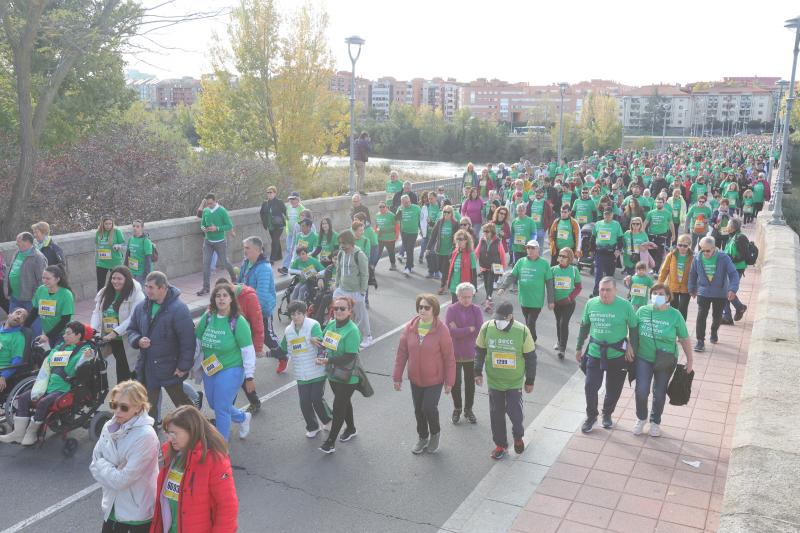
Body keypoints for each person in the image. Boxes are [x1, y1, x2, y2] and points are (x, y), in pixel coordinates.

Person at [1, 321, 94, 446]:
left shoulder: (84, 349)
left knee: (44, 402)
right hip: (47, 384)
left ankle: (31, 433)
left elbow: (83, 362)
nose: (64, 336)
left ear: (78, 335)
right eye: (64, 333)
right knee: (23, 398)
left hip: (64, 388)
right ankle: (18, 433)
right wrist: (46, 347)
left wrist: (87, 356)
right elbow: (48, 360)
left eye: (68, 333)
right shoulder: (60, 346)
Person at [150, 405, 238, 533]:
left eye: (175, 433)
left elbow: (227, 507)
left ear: (191, 431)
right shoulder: (172, 454)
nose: (170, 438)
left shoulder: (214, 460)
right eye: (169, 433)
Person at [90, 380, 159, 533]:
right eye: (114, 405)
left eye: (124, 407)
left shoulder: (146, 437)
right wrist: (112, 468)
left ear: (139, 407)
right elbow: (93, 465)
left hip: (136, 515)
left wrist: (103, 464)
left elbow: (122, 481)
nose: (117, 411)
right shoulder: (108, 426)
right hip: (111, 508)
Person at [393, 294, 456, 454]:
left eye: (426, 307)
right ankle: (422, 437)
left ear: (434, 310)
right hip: (415, 378)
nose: (422, 310)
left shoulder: (442, 330)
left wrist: (450, 381)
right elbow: (402, 353)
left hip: (434, 378)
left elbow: (449, 357)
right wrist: (397, 376)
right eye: (420, 307)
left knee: (428, 407)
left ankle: (435, 434)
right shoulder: (410, 328)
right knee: (418, 410)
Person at [474, 301, 537, 459]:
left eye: (502, 319)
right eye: (497, 319)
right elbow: (480, 351)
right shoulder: (487, 327)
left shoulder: (522, 331)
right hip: (494, 381)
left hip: (514, 382)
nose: (498, 322)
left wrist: (530, 380)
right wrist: (477, 372)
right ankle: (500, 445)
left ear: (510, 317)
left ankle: (518, 436)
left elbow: (530, 358)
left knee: (515, 414)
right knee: (496, 415)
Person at [127, 271, 195, 419]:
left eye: (151, 287)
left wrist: (183, 367)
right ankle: (151, 435)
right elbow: (131, 329)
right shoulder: (141, 307)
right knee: (147, 408)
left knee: (183, 407)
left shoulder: (179, 309)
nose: (147, 291)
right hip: (148, 368)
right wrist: (138, 340)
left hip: (170, 367)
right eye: (146, 286)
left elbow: (188, 341)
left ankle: (197, 429)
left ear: (163, 288)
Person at [575, 277, 638, 433]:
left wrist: (632, 346)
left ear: (615, 290)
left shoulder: (625, 306)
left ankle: (607, 414)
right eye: (602, 289)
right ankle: (591, 417)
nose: (604, 293)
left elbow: (634, 328)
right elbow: (584, 326)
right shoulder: (591, 304)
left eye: (608, 290)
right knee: (590, 386)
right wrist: (578, 347)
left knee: (613, 389)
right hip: (595, 352)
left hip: (617, 355)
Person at [632, 283, 694, 438]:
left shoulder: (675, 315)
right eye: (654, 293)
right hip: (644, 357)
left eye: (661, 294)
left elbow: (684, 338)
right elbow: (633, 332)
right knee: (641, 390)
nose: (657, 297)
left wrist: (690, 360)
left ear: (668, 297)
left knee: (659, 393)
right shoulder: (642, 311)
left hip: (665, 359)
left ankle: (655, 422)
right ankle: (641, 418)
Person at [194, 282, 254, 440]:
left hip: (231, 368)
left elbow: (248, 351)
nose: (221, 299)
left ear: (231, 299)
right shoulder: (207, 317)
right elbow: (197, 340)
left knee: (221, 408)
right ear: (213, 299)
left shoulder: (238, 322)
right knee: (215, 404)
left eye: (225, 295)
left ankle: (220, 450)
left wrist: (249, 377)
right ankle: (242, 417)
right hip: (211, 368)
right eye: (217, 296)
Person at [276, 301, 331, 437]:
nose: (296, 317)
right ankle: (313, 427)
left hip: (316, 370)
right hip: (301, 373)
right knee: (304, 402)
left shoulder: (313, 325)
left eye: (299, 313)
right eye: (293, 314)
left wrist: (315, 340)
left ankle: (328, 420)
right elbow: (282, 349)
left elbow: (322, 343)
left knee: (316, 398)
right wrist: (264, 353)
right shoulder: (288, 331)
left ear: (304, 313)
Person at [317, 296, 362, 454]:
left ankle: (330, 442)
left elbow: (350, 356)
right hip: (333, 373)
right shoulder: (330, 324)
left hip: (348, 376)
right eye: (336, 308)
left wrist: (328, 360)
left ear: (350, 311)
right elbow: (324, 341)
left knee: (338, 406)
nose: (338, 311)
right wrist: (316, 341)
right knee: (344, 402)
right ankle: (351, 428)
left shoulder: (352, 331)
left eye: (343, 308)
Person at [90, 266, 145, 384]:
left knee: (123, 371)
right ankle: (134, 391)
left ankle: (124, 396)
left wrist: (115, 332)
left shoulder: (136, 294)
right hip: (111, 339)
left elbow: (133, 318)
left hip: (128, 338)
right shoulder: (105, 292)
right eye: (113, 278)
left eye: (119, 279)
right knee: (128, 370)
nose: (115, 281)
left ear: (127, 279)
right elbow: (96, 312)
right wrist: (93, 330)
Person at [238, 236, 283, 373]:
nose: (244, 251)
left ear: (257, 250)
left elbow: (261, 294)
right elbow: (240, 284)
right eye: (244, 248)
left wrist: (251, 311)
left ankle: (283, 355)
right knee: (243, 338)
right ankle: (243, 370)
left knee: (267, 337)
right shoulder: (246, 263)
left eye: (247, 248)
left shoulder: (264, 268)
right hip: (246, 309)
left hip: (261, 309)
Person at [688, 236, 740, 352]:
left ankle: (714, 331)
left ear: (714, 248)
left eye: (708, 250)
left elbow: (733, 274)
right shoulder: (697, 258)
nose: (705, 253)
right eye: (702, 250)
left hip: (720, 293)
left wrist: (732, 289)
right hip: (703, 292)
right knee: (701, 316)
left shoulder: (723, 258)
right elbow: (692, 274)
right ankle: (700, 341)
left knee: (717, 316)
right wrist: (692, 288)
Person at [496, 240, 554, 343]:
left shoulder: (544, 263)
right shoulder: (521, 261)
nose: (530, 250)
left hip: (536, 301)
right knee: (528, 321)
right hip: (524, 299)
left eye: (533, 248)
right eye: (528, 248)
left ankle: (529, 341)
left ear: (538, 249)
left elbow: (549, 283)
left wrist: (551, 301)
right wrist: (503, 287)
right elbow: (512, 276)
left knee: (530, 322)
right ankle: (533, 337)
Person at [445, 283, 483, 424]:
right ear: (458, 296)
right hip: (454, 353)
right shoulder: (451, 309)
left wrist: (460, 330)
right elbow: (450, 332)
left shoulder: (476, 310)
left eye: (469, 297)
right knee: (455, 383)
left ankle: (468, 409)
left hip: (471, 354)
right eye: (463, 297)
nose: (466, 300)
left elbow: (479, 330)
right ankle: (457, 408)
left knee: (470, 384)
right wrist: (469, 329)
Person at [333, 230, 372, 348]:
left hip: (356, 291)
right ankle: (343, 333)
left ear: (351, 242)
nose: (342, 246)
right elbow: (339, 270)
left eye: (344, 243)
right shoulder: (341, 253)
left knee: (361, 315)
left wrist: (362, 292)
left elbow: (365, 274)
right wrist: (337, 285)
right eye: (340, 243)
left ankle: (367, 336)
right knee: (339, 311)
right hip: (342, 289)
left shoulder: (359, 255)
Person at [24, 265, 74, 346]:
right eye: (43, 278)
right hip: (49, 332)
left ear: (57, 279)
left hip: (63, 333)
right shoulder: (41, 289)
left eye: (48, 278)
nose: (44, 281)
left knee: (58, 356)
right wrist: (24, 326)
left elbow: (65, 320)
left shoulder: (66, 294)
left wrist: (48, 336)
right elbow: (35, 311)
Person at [551, 248, 582, 360]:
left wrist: (570, 298)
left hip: (569, 303)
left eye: (564, 256)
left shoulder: (574, 270)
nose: (561, 258)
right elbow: (549, 287)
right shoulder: (553, 270)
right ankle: (559, 341)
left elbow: (578, 287)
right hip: (557, 303)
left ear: (570, 259)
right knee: (558, 322)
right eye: (560, 255)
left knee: (564, 323)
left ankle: (562, 349)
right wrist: (551, 301)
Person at [6, 232, 47, 312]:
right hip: (14, 297)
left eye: (18, 241)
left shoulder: (38, 257)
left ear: (27, 242)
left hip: (30, 300)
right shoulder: (17, 252)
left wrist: (35, 297)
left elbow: (42, 280)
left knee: (34, 323)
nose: (16, 244)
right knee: (13, 323)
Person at [720, 218, 749, 325]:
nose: (727, 227)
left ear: (732, 227)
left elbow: (743, 256)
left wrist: (729, 258)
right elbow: (718, 234)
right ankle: (729, 315)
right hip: (731, 267)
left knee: (727, 291)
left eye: (728, 225)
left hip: (736, 269)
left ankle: (737, 309)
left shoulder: (740, 238)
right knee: (725, 291)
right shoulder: (732, 236)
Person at [658, 233, 694, 319]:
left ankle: (681, 327)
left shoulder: (692, 257)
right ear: (677, 244)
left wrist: (695, 287)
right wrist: (660, 283)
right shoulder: (671, 255)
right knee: (673, 308)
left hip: (686, 288)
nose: (682, 248)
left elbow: (696, 273)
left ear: (689, 246)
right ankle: (672, 326)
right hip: (673, 286)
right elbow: (664, 270)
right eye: (680, 245)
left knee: (683, 308)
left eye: (685, 246)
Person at [590, 207, 624, 296]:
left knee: (609, 276)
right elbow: (593, 238)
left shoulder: (616, 225)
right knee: (598, 275)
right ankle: (596, 294)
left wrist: (618, 250)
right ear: (603, 214)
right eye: (605, 214)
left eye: (609, 214)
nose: (607, 216)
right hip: (599, 252)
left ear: (612, 215)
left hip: (611, 253)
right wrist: (591, 250)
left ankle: (610, 293)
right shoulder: (598, 224)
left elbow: (620, 239)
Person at [474, 223, 507, 312]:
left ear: (492, 232)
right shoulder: (482, 240)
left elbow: (502, 255)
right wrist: (473, 262)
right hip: (484, 265)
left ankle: (488, 300)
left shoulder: (498, 241)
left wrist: (503, 268)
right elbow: (477, 252)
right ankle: (487, 297)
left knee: (490, 283)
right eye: (484, 231)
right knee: (485, 283)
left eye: (487, 231)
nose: (485, 233)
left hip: (494, 267)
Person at [426, 205, 459, 285]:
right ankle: (446, 280)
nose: (446, 214)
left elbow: (457, 237)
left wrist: (455, 249)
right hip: (440, 249)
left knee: (445, 269)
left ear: (451, 213)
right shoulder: (439, 222)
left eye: (448, 212)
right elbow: (433, 235)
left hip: (449, 250)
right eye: (445, 212)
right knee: (440, 268)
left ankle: (443, 285)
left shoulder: (455, 224)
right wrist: (428, 248)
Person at [0, 308, 28, 396]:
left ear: (22, 323)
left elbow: (16, 361)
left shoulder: (18, 338)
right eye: (18, 313)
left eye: (22, 317)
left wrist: (3, 376)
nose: (19, 316)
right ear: (9, 315)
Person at [642, 197, 675, 272]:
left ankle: (656, 270)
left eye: (660, 202)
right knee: (651, 253)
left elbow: (671, 224)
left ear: (663, 203)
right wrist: (643, 233)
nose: (659, 204)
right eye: (657, 202)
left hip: (662, 236)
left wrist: (673, 235)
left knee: (659, 254)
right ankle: (653, 268)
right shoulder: (651, 213)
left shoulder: (667, 213)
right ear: (655, 203)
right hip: (651, 235)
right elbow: (645, 223)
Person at [95, 216, 126, 292]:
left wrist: (118, 246)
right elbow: (97, 245)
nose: (108, 226)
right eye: (106, 224)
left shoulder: (117, 231)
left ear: (112, 224)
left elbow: (124, 244)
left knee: (117, 283)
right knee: (100, 284)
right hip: (101, 262)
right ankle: (100, 301)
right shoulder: (98, 233)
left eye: (110, 224)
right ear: (102, 224)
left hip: (115, 262)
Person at [259, 186, 287, 265]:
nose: (269, 194)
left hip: (279, 225)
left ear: (275, 193)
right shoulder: (265, 203)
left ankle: (272, 259)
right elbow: (262, 213)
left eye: (270, 192)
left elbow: (285, 211)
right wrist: (264, 221)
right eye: (267, 192)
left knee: (274, 241)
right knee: (276, 240)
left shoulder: (279, 202)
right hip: (270, 226)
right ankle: (279, 256)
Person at [280, 191, 306, 275]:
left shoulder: (302, 209)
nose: (291, 200)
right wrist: (287, 230)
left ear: (298, 199)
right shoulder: (288, 207)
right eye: (290, 199)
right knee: (288, 249)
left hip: (298, 234)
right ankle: (285, 268)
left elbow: (304, 222)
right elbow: (287, 219)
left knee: (296, 251)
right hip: (290, 233)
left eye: (293, 199)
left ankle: (296, 266)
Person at [395, 194, 421, 275]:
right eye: (405, 202)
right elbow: (396, 219)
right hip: (404, 232)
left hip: (413, 232)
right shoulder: (400, 208)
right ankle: (411, 264)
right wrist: (400, 210)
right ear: (402, 203)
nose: (408, 203)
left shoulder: (416, 208)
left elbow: (421, 219)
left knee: (409, 250)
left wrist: (422, 230)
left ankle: (408, 268)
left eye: (408, 201)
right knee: (407, 249)